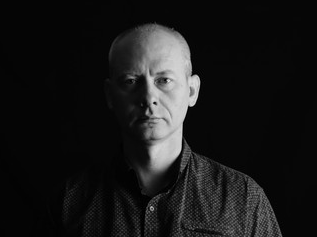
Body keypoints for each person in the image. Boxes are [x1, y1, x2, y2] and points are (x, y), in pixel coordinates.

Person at [45, 23, 282, 236]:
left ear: (192, 91)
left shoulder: (242, 199)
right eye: (131, 81)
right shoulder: (70, 203)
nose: (148, 97)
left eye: (164, 80)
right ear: (109, 95)